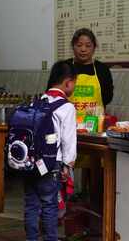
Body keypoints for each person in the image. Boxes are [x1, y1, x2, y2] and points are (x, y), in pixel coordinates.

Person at [24, 60, 77, 241]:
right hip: (51, 163)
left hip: (31, 162)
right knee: (49, 206)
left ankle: (31, 238)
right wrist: (67, 166)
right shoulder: (67, 107)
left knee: (31, 204)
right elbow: (69, 141)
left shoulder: (37, 102)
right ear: (68, 82)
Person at [68, 28, 114, 116]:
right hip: (68, 124)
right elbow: (54, 96)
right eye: (79, 45)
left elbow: (107, 97)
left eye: (88, 45)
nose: (83, 49)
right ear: (73, 46)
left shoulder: (102, 69)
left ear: (94, 47)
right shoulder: (64, 67)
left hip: (95, 124)